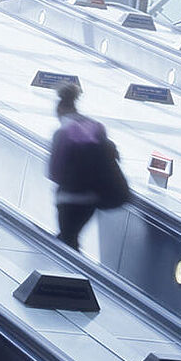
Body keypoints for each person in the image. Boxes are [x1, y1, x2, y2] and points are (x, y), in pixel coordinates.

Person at [47, 84, 128, 251]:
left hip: (68, 199)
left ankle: (70, 272)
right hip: (91, 200)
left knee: (68, 241)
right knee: (71, 238)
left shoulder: (62, 132)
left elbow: (54, 172)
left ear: (60, 109)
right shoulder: (95, 126)